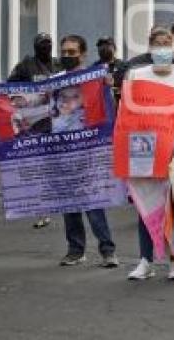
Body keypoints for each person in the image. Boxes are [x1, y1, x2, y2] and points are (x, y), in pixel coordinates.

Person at [126, 26, 174, 282]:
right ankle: (145, 260)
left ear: (173, 47)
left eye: (167, 43)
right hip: (145, 149)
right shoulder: (137, 75)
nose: (162, 48)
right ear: (150, 47)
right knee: (145, 203)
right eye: (158, 44)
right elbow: (126, 109)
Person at [56, 35, 118, 269]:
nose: (67, 56)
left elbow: (107, 110)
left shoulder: (95, 80)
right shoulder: (56, 81)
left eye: (72, 52)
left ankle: (107, 251)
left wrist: (107, 86)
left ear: (82, 55)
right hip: (63, 151)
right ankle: (75, 251)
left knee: (93, 202)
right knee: (69, 205)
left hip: (89, 150)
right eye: (64, 52)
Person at [8, 32, 62, 229]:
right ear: (35, 46)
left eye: (48, 43)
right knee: (39, 165)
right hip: (36, 124)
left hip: (58, 122)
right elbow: (10, 85)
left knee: (57, 165)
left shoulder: (58, 64)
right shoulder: (25, 66)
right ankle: (43, 210)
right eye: (42, 44)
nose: (45, 46)